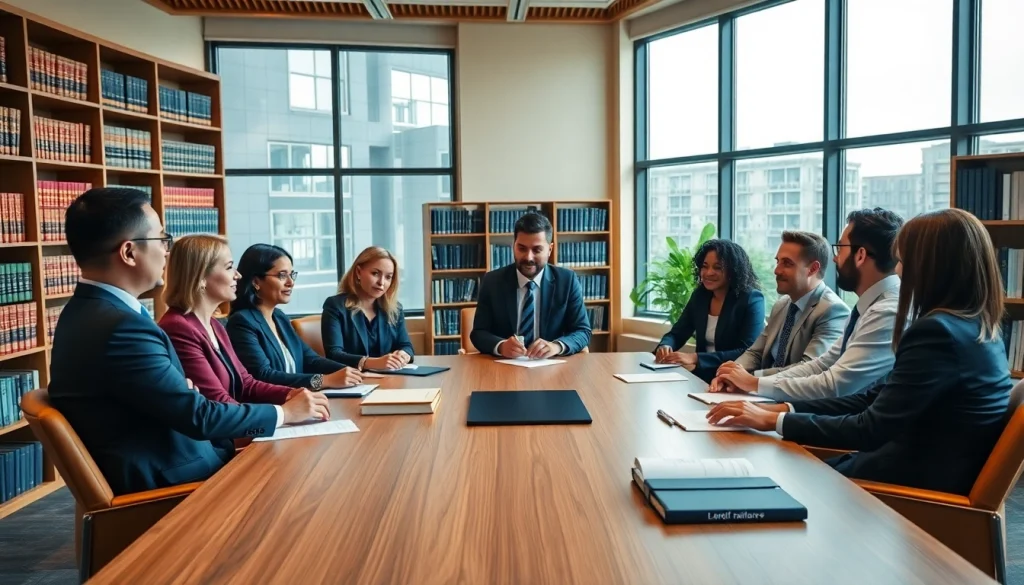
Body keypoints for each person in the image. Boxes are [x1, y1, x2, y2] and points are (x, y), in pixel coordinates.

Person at [706, 208, 1011, 496]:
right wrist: (780, 411)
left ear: (929, 268)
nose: (899, 272)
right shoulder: (975, 328)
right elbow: (872, 397)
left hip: (908, 491)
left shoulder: (938, 333)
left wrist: (773, 420)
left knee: (760, 477)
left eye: (903, 262)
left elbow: (870, 427)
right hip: (904, 469)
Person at [49, 188, 328, 495]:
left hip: (184, 459)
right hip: (174, 483)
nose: (167, 252)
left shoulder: (86, 313)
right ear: (129, 253)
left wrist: (184, 396)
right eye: (161, 240)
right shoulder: (123, 327)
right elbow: (199, 416)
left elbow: (188, 404)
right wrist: (285, 414)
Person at [713, 208, 903, 400]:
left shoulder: (885, 311)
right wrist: (739, 377)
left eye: (840, 248)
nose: (836, 258)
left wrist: (753, 382)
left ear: (860, 255)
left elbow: (834, 384)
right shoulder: (868, 307)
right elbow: (822, 364)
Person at [159, 235, 311, 407]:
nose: (238, 275)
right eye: (229, 267)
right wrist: (285, 414)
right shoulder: (179, 328)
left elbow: (246, 384)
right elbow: (218, 402)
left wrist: (293, 394)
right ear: (201, 277)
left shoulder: (215, 325)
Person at [227, 244, 363, 390]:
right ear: (256, 282)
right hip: (275, 406)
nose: (291, 282)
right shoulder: (241, 322)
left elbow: (310, 359)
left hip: (300, 400)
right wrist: (324, 380)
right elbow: (263, 375)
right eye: (282, 275)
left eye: (291, 275)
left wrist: (349, 372)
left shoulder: (279, 317)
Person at [725, 231, 848, 375]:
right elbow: (755, 353)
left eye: (787, 263)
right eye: (778, 262)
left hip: (795, 396)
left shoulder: (833, 310)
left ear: (813, 269)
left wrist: (752, 379)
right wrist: (731, 371)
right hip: (762, 392)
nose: (777, 270)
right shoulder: (782, 305)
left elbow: (809, 369)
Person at [471, 212, 591, 357]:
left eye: (537, 250)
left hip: (552, 368)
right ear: (513, 246)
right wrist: (501, 346)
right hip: (505, 368)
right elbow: (478, 333)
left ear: (550, 250)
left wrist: (556, 346)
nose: (528, 257)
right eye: (522, 248)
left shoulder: (567, 281)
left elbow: (582, 331)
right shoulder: (492, 281)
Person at [653, 239, 765, 382]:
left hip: (733, 378)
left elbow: (746, 351)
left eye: (717, 267)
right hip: (700, 374)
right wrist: (666, 345)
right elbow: (677, 333)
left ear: (733, 271)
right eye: (704, 266)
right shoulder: (700, 296)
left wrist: (695, 358)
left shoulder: (751, 299)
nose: (708, 273)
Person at [322, 246, 415, 370]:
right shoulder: (335, 306)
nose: (381, 282)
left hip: (390, 379)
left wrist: (404, 355)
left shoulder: (395, 309)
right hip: (352, 381)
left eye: (388, 277)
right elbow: (334, 354)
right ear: (358, 272)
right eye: (375, 273)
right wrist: (373, 363)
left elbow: (406, 345)